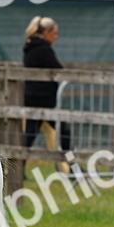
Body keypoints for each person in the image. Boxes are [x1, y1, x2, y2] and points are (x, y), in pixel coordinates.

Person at [22, 15, 72, 175]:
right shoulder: (43, 49)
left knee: (28, 137)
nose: (56, 36)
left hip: (32, 98)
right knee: (64, 131)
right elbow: (57, 69)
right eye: (54, 33)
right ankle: (70, 167)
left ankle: (15, 170)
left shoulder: (30, 47)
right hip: (45, 100)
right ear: (46, 33)